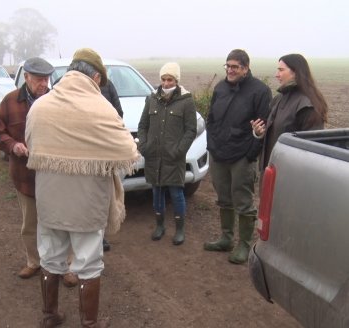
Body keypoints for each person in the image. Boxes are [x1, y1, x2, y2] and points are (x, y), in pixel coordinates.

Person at [26, 48, 138, 328]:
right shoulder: (100, 107)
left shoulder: (40, 105)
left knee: (50, 259)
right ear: (96, 76)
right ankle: (89, 323)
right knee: (88, 264)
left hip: (49, 199)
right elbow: (127, 150)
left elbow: (31, 142)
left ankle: (49, 315)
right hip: (87, 203)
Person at [0, 57, 78, 287]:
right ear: (26, 77)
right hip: (25, 176)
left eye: (46, 79)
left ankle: (67, 266)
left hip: (55, 176)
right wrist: (12, 145)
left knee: (62, 222)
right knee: (30, 223)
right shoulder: (10, 102)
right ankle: (34, 261)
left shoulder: (57, 100)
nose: (43, 83)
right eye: (39, 79)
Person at [203, 49, 272, 264]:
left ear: (246, 68)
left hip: (242, 156)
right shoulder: (221, 88)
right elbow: (211, 118)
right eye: (228, 66)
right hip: (219, 153)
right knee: (224, 198)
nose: (230, 70)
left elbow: (263, 127)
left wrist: (251, 154)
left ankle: (243, 245)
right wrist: (212, 144)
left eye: (235, 67)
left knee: (243, 201)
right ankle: (226, 238)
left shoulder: (260, 91)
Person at [137, 62, 197, 246]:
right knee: (156, 192)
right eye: (163, 79)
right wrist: (144, 147)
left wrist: (179, 151)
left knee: (176, 193)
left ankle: (179, 229)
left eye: (170, 79)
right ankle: (160, 226)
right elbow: (142, 126)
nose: (166, 83)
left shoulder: (186, 101)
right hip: (153, 156)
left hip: (174, 157)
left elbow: (190, 131)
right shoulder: (151, 99)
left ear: (176, 80)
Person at [251, 53, 328, 176]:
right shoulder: (279, 98)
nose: (277, 74)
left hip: (290, 175)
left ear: (296, 72)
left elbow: (312, 149)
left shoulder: (307, 105)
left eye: (281, 70)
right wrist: (260, 133)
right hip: (271, 170)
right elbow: (276, 134)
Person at [100, 79, 123, 252]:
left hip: (104, 149)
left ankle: (100, 237)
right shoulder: (66, 84)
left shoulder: (107, 84)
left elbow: (118, 112)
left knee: (104, 195)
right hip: (80, 153)